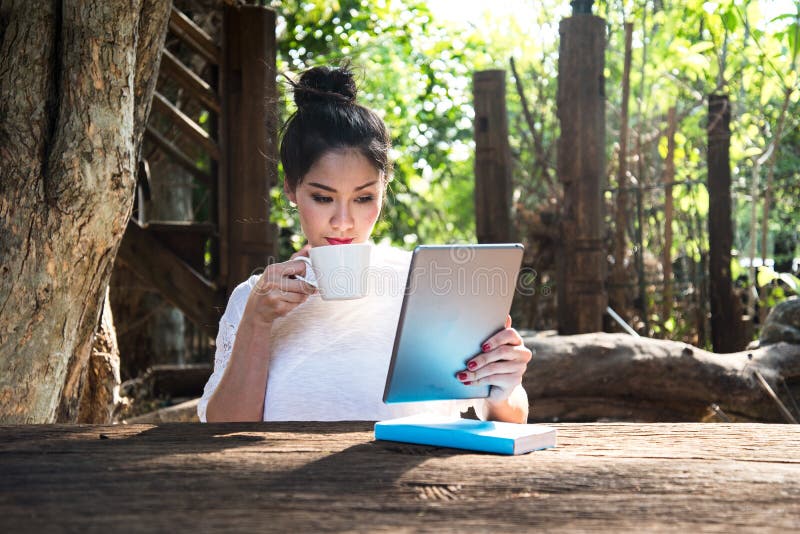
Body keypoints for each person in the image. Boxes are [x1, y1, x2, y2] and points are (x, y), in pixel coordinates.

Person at [199, 64, 532, 423]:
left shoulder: (433, 284)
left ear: (383, 190)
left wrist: (504, 384)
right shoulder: (256, 299)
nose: (343, 222)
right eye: (323, 198)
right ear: (291, 188)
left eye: (362, 198)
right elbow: (219, 430)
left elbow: (510, 418)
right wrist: (256, 323)